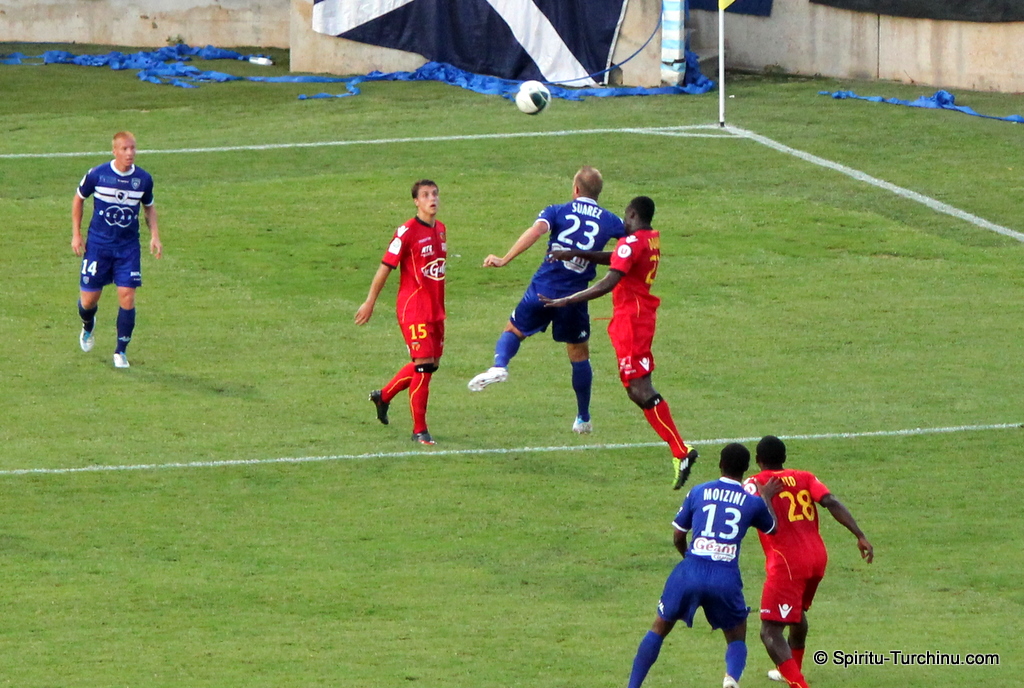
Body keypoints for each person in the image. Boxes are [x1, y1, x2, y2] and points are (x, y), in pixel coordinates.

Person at [540, 196, 697, 490]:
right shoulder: (650, 239)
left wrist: (567, 300)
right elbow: (617, 256)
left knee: (639, 387)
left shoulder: (631, 243)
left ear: (633, 214)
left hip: (632, 320)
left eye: (626, 217)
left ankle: (681, 450)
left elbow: (608, 282)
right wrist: (574, 253)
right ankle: (679, 450)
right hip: (639, 316)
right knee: (634, 388)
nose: (623, 222)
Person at [466, 166, 625, 435]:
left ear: (575, 189)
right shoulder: (611, 220)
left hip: (543, 288)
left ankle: (499, 365)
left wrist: (504, 259)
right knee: (579, 354)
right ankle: (583, 418)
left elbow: (536, 231)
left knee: (513, 330)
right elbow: (631, 246)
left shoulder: (557, 211)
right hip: (574, 298)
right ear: (598, 193)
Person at [626, 443, 781, 688]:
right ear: (745, 469)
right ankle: (730, 678)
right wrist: (765, 497)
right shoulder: (751, 502)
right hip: (725, 577)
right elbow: (773, 528)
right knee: (736, 635)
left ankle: (633, 686)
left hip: (691, 569)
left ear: (720, 464)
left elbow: (678, 535)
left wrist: (689, 557)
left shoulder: (698, 491)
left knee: (659, 628)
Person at [742, 435, 874, 688]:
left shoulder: (756, 482)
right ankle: (793, 669)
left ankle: (798, 683)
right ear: (784, 458)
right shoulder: (804, 477)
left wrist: (765, 497)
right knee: (796, 613)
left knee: (769, 631)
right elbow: (830, 501)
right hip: (817, 558)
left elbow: (748, 511)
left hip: (787, 563)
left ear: (758, 460)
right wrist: (859, 535)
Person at [355, 180, 446, 445]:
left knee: (430, 365)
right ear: (416, 202)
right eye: (425, 195)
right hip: (414, 308)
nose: (432, 199)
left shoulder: (441, 229)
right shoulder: (406, 232)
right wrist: (370, 301)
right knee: (424, 367)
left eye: (435, 194)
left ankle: (383, 396)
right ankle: (420, 431)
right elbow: (385, 267)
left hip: (435, 308)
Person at [72, 131, 162, 368]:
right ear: (114, 151)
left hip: (127, 248)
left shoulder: (143, 179)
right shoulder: (98, 174)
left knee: (127, 295)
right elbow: (79, 198)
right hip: (98, 247)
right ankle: (88, 325)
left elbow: (149, 207)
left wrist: (155, 236)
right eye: (124, 149)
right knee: (88, 301)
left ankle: (120, 351)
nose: (130, 153)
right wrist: (76, 234)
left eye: (133, 148)